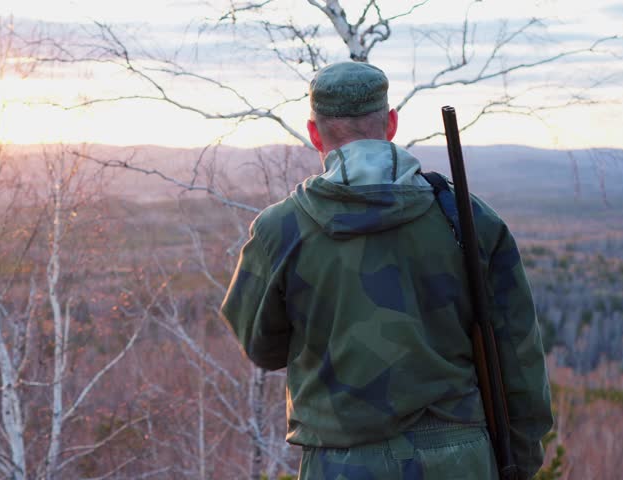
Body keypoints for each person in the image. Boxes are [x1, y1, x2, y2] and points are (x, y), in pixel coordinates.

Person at [220, 61, 553, 479]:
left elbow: (261, 346)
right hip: (460, 459)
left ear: (314, 133)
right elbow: (518, 357)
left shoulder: (279, 230)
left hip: (342, 462)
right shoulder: (469, 219)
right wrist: (518, 461)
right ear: (391, 123)